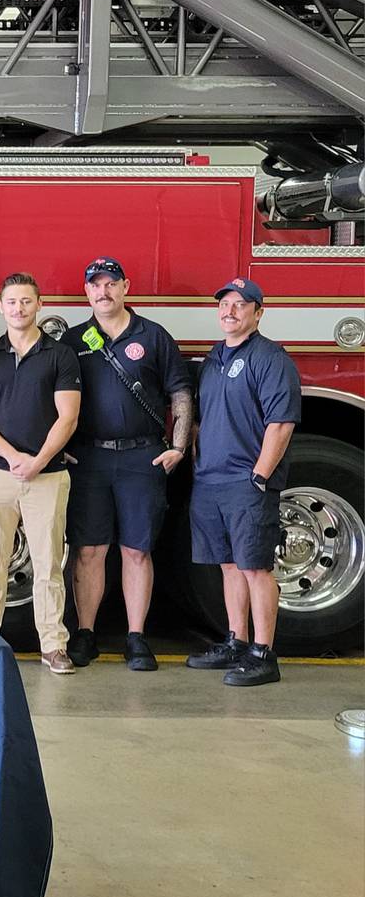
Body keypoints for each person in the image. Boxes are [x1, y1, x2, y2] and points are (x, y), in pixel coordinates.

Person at [61, 257, 192, 672]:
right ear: (86, 292)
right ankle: (85, 633)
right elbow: (51, 392)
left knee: (137, 550)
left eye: (111, 283)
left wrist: (179, 446)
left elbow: (181, 393)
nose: (104, 291)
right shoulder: (73, 339)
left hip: (142, 456)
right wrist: (56, 444)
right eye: (95, 285)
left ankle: (136, 638)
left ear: (126, 287)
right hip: (88, 457)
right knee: (88, 550)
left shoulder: (152, 336)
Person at [185, 277, 300, 687]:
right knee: (229, 565)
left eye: (240, 305)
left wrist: (259, 477)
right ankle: (236, 642)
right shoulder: (215, 357)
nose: (230, 311)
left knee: (256, 568)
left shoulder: (270, 358)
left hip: (246, 482)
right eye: (225, 305)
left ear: (258, 312)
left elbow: (281, 423)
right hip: (211, 482)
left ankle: (263, 654)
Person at [0, 272, 82, 674]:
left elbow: (68, 417)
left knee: (48, 564)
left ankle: (54, 645)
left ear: (39, 305)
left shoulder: (60, 355)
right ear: (0, 307)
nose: (18, 308)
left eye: (26, 301)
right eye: (12, 302)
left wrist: (36, 460)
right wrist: (12, 455)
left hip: (47, 476)